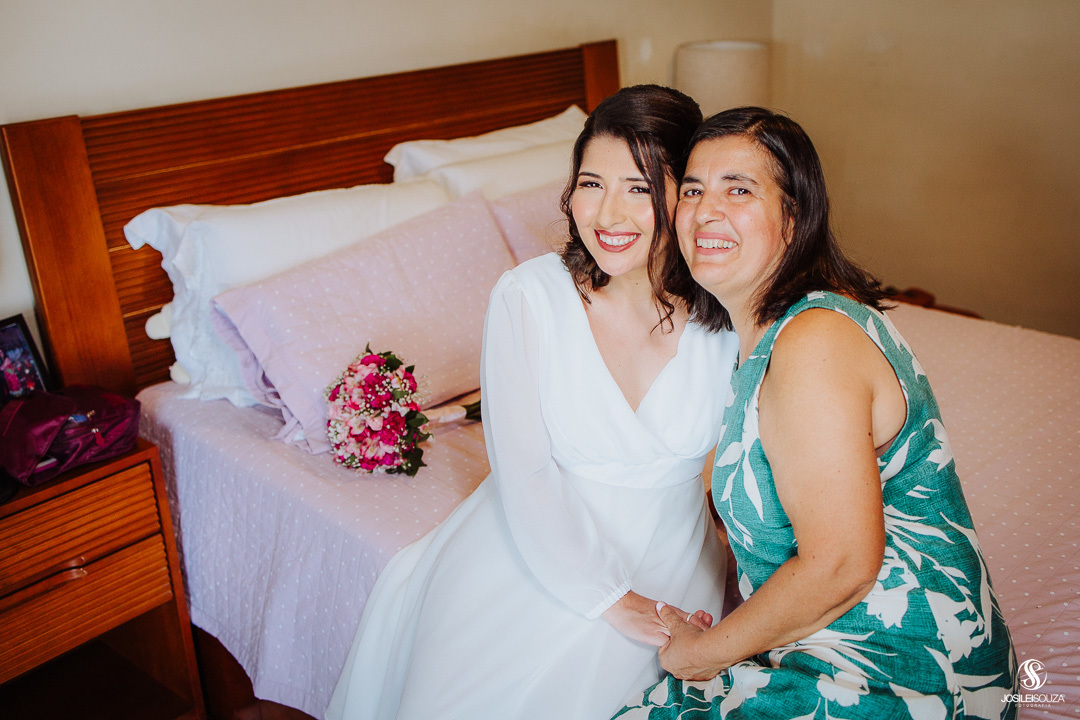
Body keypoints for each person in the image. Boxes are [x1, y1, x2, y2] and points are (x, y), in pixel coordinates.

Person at [326, 86, 740, 720]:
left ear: (686, 195)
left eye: (638, 187)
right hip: (539, 547)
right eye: (590, 183)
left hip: (679, 560)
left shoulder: (725, 309)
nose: (608, 213)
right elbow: (526, 474)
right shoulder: (528, 297)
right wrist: (615, 601)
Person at [615, 106, 1019, 720]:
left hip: (898, 673)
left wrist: (701, 654)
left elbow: (842, 565)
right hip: (830, 648)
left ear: (793, 218)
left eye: (739, 189)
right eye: (692, 189)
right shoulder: (756, 335)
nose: (705, 210)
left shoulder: (813, 342)